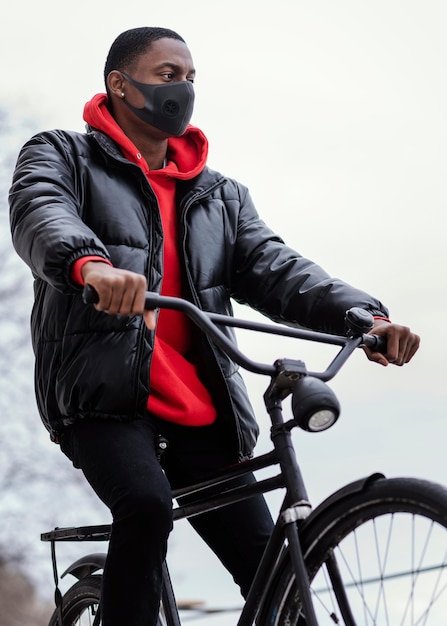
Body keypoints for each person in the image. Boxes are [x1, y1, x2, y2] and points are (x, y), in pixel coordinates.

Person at [9, 26, 419, 626]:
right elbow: (40, 209)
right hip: (105, 397)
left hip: (199, 408)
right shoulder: (64, 154)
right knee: (147, 508)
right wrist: (91, 265)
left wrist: (365, 316)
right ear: (119, 85)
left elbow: (279, 270)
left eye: (191, 78)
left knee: (273, 570)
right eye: (167, 76)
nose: (183, 89)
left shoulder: (219, 196)